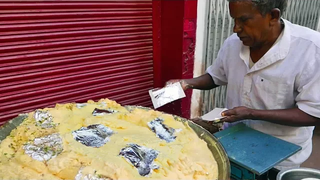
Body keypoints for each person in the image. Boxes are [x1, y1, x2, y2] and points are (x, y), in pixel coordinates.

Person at [167, 0, 320, 170]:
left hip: (280, 155)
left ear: (273, 16)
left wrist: (251, 113)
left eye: (244, 20)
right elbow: (216, 76)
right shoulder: (234, 43)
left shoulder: (311, 50)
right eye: (234, 20)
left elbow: (312, 113)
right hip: (232, 141)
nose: (235, 28)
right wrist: (187, 83)